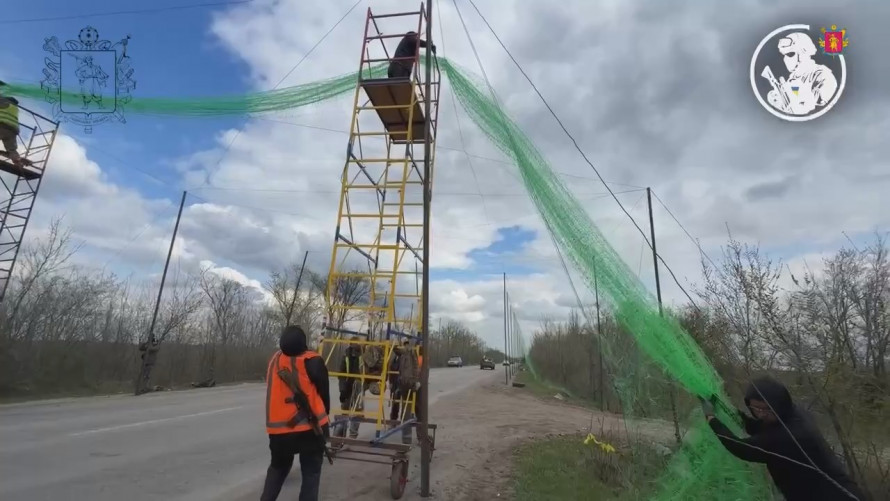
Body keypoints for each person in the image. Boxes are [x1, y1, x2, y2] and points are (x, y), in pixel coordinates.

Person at [700, 376, 864, 501]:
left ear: (779, 405)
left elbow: (740, 448)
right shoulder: (792, 414)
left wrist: (711, 419)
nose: (761, 414)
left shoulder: (788, 435)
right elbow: (758, 428)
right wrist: (728, 411)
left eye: (766, 409)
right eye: (756, 409)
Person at [261, 325, 331, 501]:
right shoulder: (313, 361)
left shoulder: (274, 361)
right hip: (310, 429)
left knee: (277, 469)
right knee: (311, 473)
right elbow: (324, 397)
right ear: (304, 344)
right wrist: (324, 423)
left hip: (278, 433)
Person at [333, 336, 364, 439]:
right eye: (353, 344)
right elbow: (341, 374)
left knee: (357, 411)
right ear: (350, 344)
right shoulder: (346, 354)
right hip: (347, 385)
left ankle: (353, 435)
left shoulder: (363, 354)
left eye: (357, 344)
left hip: (358, 386)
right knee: (345, 409)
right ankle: (341, 435)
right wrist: (342, 390)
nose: (355, 345)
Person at [0, 83, 27, 169]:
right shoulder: (14, 106)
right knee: (12, 149)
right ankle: (17, 161)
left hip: (1, 124)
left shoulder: (2, 100)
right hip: (12, 130)